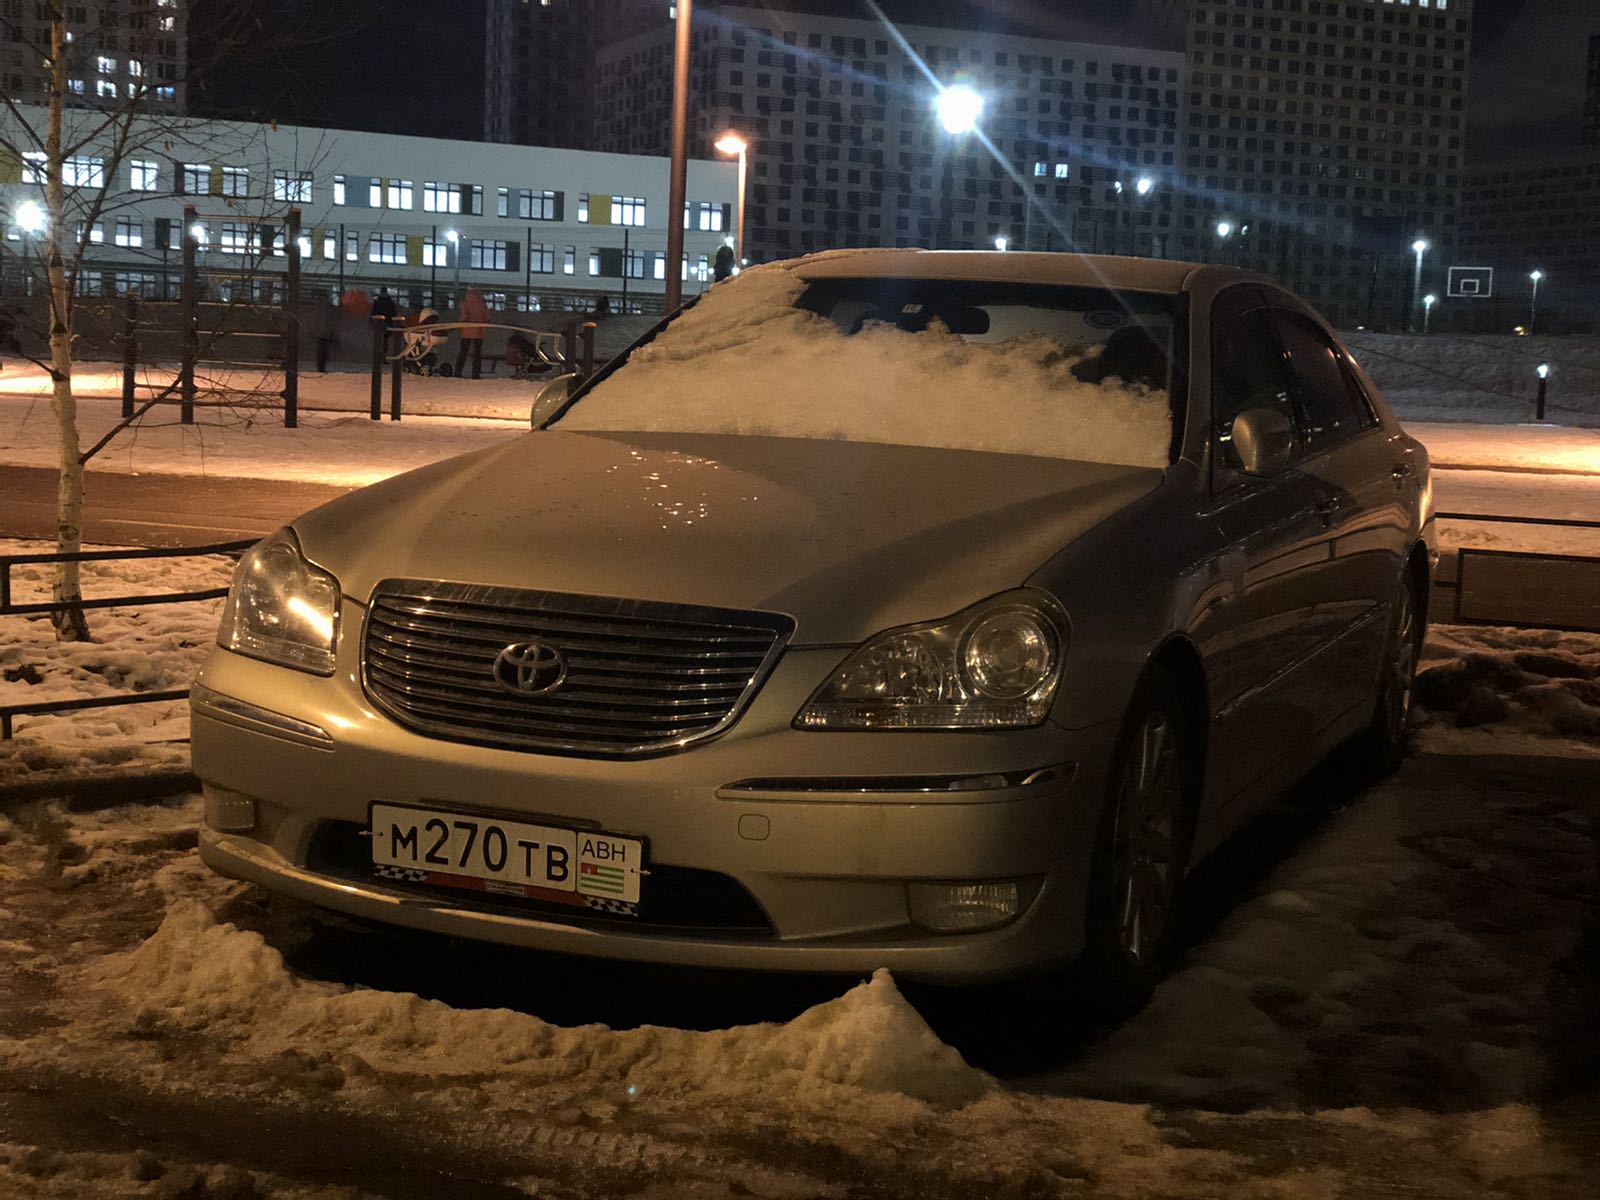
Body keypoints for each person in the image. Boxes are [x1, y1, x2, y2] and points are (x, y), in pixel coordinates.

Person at [454, 285, 489, 379]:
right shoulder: (482, 304)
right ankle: (475, 374)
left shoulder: (465, 303)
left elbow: (464, 317)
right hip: (479, 331)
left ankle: (458, 372)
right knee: (477, 354)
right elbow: (487, 317)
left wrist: (460, 324)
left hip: (467, 331)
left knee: (463, 352)